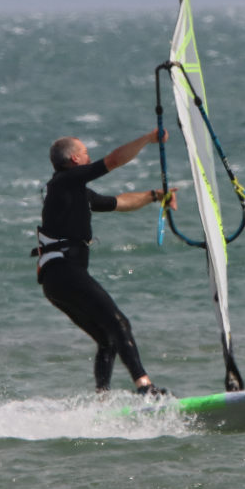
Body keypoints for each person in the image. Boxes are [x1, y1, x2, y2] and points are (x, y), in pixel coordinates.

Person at [34, 129, 173, 396]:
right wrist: (147, 138)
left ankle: (102, 398)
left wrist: (155, 196)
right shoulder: (65, 181)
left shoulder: (73, 190)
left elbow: (119, 202)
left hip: (55, 281)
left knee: (107, 339)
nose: (89, 157)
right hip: (65, 272)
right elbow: (114, 160)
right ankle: (145, 387)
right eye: (85, 153)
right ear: (75, 159)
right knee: (119, 323)